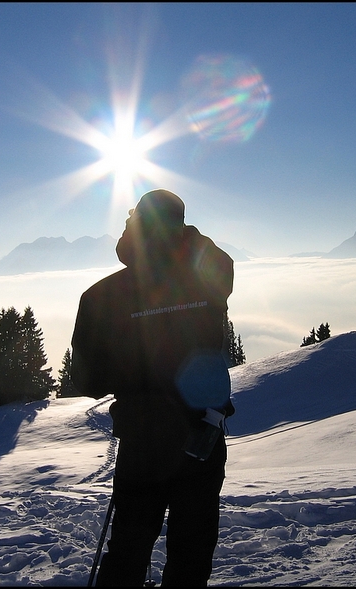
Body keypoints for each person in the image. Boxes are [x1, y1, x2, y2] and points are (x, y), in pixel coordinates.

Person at [71, 189, 235, 587]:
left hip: (143, 442)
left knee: (128, 551)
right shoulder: (210, 278)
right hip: (202, 436)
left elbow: (88, 381)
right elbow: (219, 260)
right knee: (192, 554)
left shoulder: (100, 297)